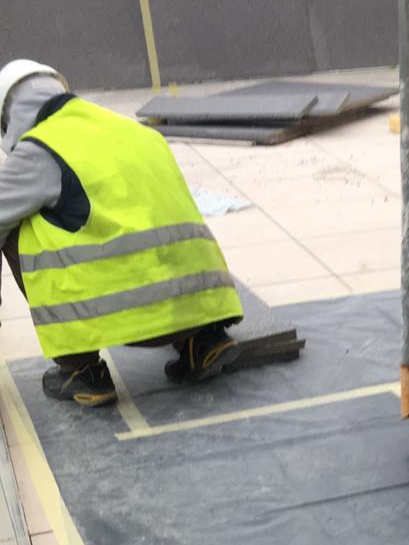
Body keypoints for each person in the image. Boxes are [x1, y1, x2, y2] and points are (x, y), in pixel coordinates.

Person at [0, 59, 243, 407]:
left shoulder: (39, 150)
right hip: (201, 306)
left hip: (126, 319)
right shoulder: (134, 132)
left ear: (8, 117)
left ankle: (82, 370)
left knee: (17, 226)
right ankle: (202, 342)